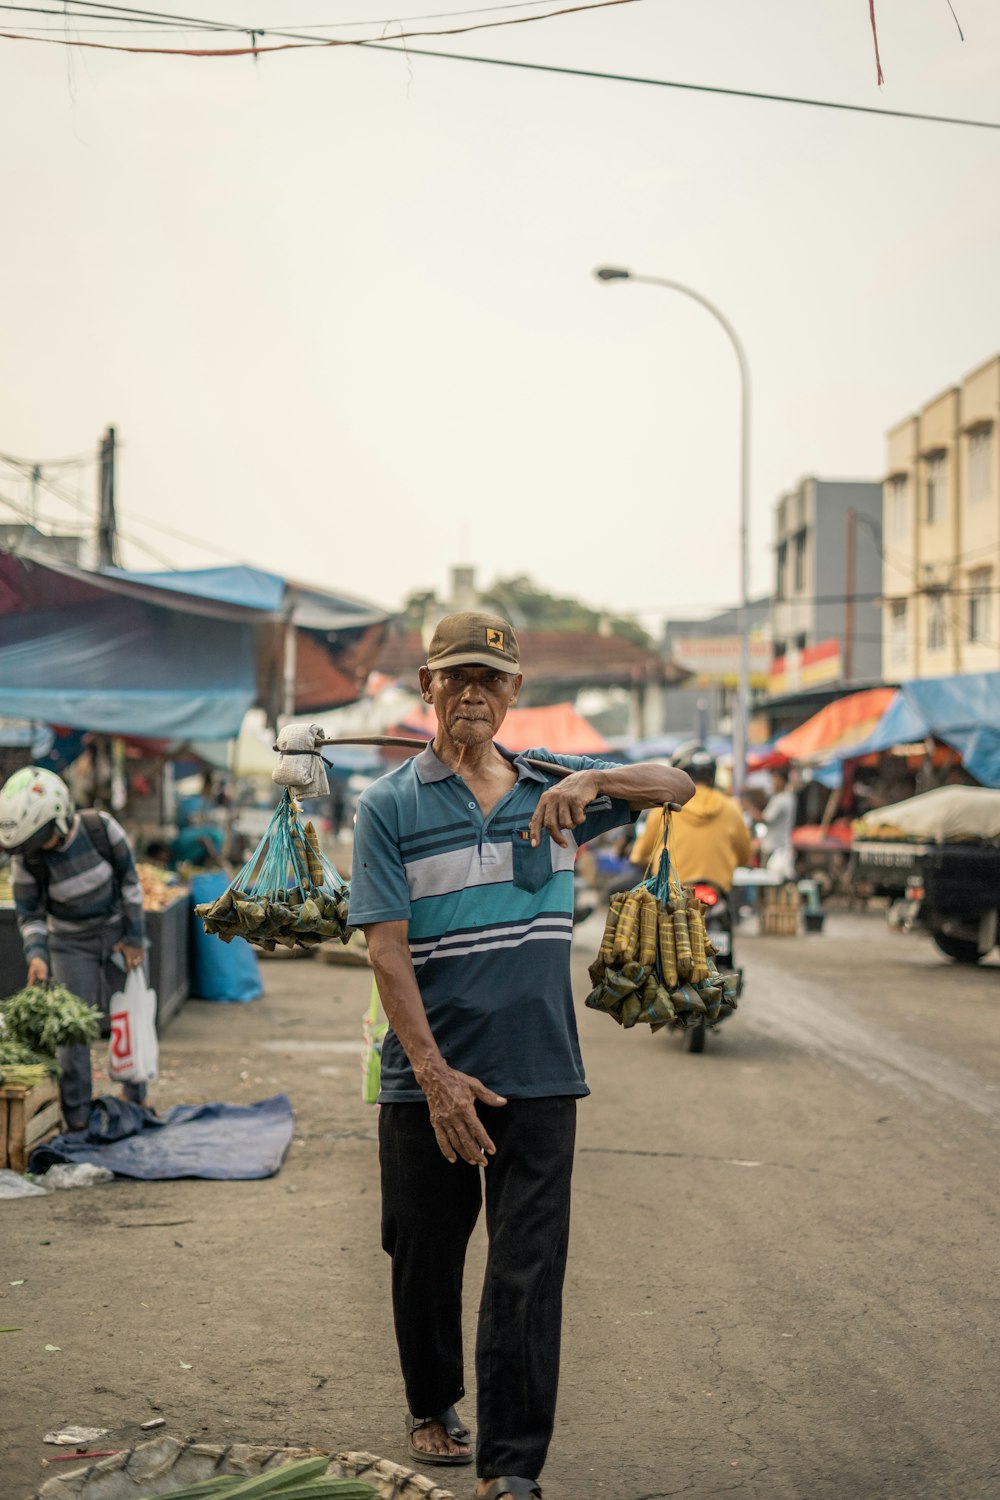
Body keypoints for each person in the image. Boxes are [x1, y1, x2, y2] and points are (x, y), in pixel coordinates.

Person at [347, 612, 694, 1500]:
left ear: (515, 693)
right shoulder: (388, 805)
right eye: (455, 677)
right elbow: (387, 950)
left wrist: (597, 781)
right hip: (425, 1075)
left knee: (528, 1272)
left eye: (491, 680)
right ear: (426, 687)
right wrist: (434, 1078)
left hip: (539, 1070)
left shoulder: (559, 785)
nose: (473, 693)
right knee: (423, 1254)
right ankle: (433, 1401)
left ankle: (511, 1467)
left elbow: (680, 785)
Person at [0, 766, 148, 1131]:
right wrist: (37, 955)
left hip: (116, 933)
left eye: (44, 838)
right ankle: (77, 1116)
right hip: (68, 943)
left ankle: (135, 1097)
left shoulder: (101, 828)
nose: (40, 849)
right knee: (73, 1029)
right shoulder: (28, 859)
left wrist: (133, 938)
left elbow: (131, 884)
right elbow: (30, 915)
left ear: (61, 819)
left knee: (128, 1015)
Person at [629, 743, 751, 892]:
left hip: (674, 891)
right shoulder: (731, 807)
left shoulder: (665, 807)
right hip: (717, 889)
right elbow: (745, 856)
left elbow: (639, 855)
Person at [759, 768, 797, 880]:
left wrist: (748, 807)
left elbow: (765, 819)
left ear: (782, 781)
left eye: (775, 779)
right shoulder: (788, 797)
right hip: (781, 845)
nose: (773, 782)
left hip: (774, 847)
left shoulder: (782, 799)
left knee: (769, 880)